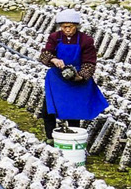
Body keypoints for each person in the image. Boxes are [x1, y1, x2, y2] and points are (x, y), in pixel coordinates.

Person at [38, 9, 110, 138]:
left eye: (70, 26)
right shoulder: (55, 37)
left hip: (76, 79)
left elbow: (89, 62)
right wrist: (53, 59)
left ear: (76, 25)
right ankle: (50, 138)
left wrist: (80, 76)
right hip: (57, 78)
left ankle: (72, 138)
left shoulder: (85, 40)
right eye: (64, 27)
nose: (67, 30)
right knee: (48, 110)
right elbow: (45, 54)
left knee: (73, 112)